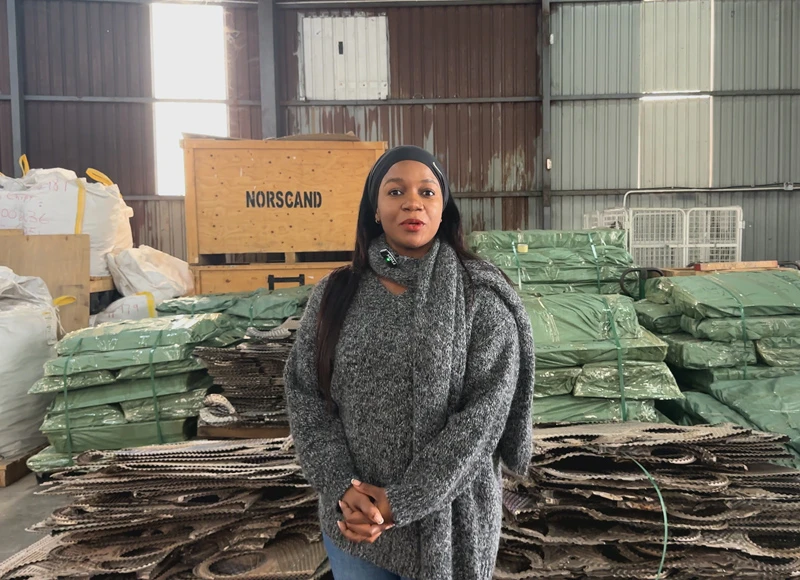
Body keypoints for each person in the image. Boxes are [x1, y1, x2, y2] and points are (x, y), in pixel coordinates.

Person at [284, 145, 535, 580]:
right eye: (395, 191)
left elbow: (483, 419)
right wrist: (342, 486)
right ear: (375, 209)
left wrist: (402, 501)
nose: (412, 203)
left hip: (452, 523)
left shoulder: (480, 297)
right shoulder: (336, 293)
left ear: (443, 209)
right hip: (356, 527)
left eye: (427, 192)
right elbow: (306, 394)